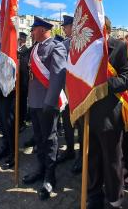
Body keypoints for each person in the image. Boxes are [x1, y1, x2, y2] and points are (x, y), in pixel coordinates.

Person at [86, 16, 128, 209]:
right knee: (91, 158)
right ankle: (94, 197)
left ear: (104, 29)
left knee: (112, 161)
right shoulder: (84, 50)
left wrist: (104, 85)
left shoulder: (119, 47)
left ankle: (114, 200)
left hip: (109, 115)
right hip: (88, 113)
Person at [22, 16, 67, 200]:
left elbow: (58, 74)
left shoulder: (57, 46)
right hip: (34, 101)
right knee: (39, 139)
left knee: (50, 140)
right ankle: (41, 169)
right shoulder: (34, 48)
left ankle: (50, 176)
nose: (31, 33)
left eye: (33, 29)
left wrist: (50, 101)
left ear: (42, 29)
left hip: (47, 103)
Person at [56, 15, 81, 171]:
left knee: (81, 124)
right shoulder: (63, 44)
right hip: (66, 90)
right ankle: (70, 150)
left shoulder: (83, 43)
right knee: (67, 122)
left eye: (66, 26)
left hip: (80, 89)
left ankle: (82, 157)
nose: (64, 29)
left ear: (73, 26)